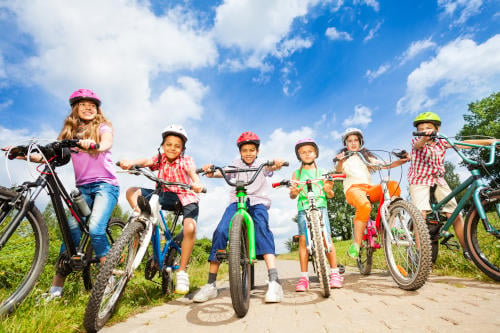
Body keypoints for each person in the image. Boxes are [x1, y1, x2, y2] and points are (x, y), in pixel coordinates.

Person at [42, 89, 120, 300]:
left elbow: (106, 142)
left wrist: (94, 145)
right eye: (83, 105)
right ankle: (55, 291)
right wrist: (23, 154)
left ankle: (109, 277)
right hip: (83, 188)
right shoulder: (70, 133)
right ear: (75, 108)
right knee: (71, 233)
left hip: (106, 186)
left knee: (95, 228)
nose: (88, 108)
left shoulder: (103, 127)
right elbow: (51, 154)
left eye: (92, 105)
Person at [193, 131, 286, 303]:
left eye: (252, 150)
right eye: (245, 150)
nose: (248, 153)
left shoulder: (262, 163)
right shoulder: (235, 164)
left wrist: (277, 164)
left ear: (257, 151)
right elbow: (222, 173)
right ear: (240, 152)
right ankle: (211, 284)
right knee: (220, 231)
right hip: (237, 201)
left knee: (261, 229)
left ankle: (274, 281)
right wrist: (210, 170)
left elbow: (271, 168)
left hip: (258, 202)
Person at [118, 124, 204, 294]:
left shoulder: (186, 161)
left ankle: (182, 271)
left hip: (184, 197)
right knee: (131, 192)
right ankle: (142, 221)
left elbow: (192, 172)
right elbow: (147, 161)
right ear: (163, 146)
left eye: (177, 146)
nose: (172, 148)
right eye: (169, 144)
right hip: (163, 194)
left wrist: (196, 182)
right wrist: (132, 163)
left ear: (182, 149)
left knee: (190, 228)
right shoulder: (160, 158)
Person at [408, 111, 498, 259]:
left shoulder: (442, 141)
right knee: (420, 214)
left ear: (438, 129)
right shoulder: (416, 141)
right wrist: (423, 137)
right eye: (421, 128)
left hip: (438, 180)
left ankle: (468, 250)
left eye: (428, 127)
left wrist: (490, 142)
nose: (424, 130)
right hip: (419, 180)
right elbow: (418, 144)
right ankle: (421, 254)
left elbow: (464, 144)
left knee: (454, 214)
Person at [335, 128, 410, 259]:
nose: (353, 143)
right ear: (345, 144)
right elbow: (338, 171)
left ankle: (386, 225)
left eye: (356, 140)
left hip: (369, 189)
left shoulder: (366, 157)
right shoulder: (343, 159)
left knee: (392, 185)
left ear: (360, 142)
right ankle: (356, 245)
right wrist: (340, 161)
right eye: (350, 141)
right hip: (353, 190)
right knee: (365, 206)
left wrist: (401, 161)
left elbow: (385, 164)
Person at [289, 138, 342, 291]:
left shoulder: (322, 172)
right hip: (303, 208)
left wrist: (328, 190)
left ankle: (334, 273)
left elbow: (330, 194)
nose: (306, 154)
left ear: (316, 153)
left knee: (327, 238)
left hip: (320, 207)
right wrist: (294, 191)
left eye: (310, 151)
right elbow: (292, 195)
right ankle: (304, 278)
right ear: (299, 155)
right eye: (303, 152)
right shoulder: (296, 173)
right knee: (303, 241)